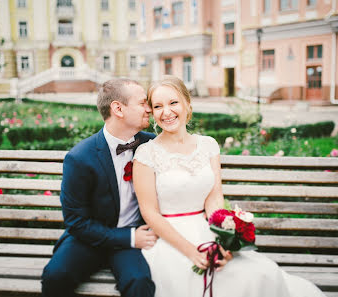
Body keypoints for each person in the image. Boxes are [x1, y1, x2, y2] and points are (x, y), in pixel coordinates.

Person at [132, 75, 327, 297]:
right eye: (158, 106)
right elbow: (149, 212)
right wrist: (191, 251)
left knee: (260, 274)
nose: (166, 112)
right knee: (191, 279)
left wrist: (223, 241)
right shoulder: (146, 154)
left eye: (173, 102)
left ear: (187, 104)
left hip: (206, 230)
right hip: (170, 240)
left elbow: (214, 198)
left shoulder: (208, 145)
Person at [41, 78, 157, 297]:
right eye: (142, 103)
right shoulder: (80, 158)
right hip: (88, 240)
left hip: (133, 240)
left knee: (139, 282)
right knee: (55, 277)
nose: (149, 109)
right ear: (118, 108)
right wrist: (130, 238)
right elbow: (76, 222)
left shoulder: (152, 145)